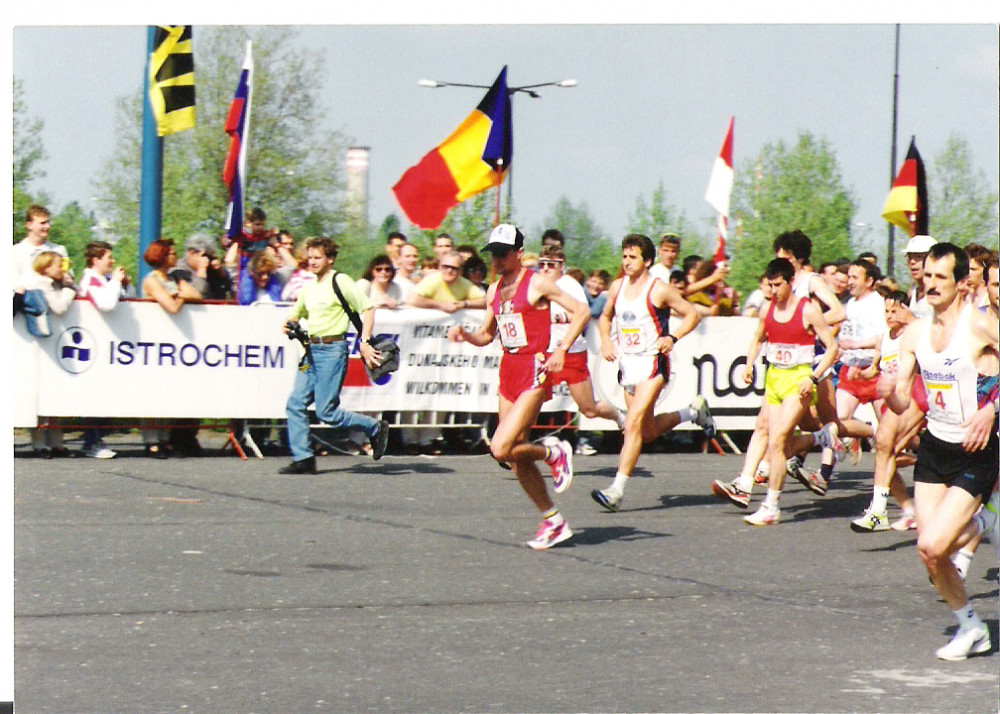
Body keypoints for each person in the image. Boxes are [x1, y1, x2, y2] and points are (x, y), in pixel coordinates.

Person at [881, 242, 998, 661]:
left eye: (939, 277)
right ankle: (971, 627)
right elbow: (901, 400)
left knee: (933, 544)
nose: (929, 284)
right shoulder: (913, 332)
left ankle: (988, 516)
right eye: (925, 276)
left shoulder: (981, 325)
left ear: (962, 281)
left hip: (976, 451)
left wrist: (992, 409)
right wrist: (886, 391)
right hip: (935, 448)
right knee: (931, 553)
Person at [447, 224, 586, 550]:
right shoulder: (494, 290)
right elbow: (486, 335)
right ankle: (553, 520)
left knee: (499, 446)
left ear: (519, 253)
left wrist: (561, 349)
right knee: (513, 456)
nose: (496, 259)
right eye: (492, 253)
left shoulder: (536, 282)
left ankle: (554, 452)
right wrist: (465, 335)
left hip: (535, 368)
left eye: (503, 253)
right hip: (508, 369)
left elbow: (580, 311)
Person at [590, 234, 716, 513]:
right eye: (624, 257)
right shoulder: (616, 287)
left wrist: (673, 337)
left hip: (652, 364)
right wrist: (607, 340)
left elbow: (692, 314)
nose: (627, 262)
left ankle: (616, 490)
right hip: (628, 366)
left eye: (633, 257)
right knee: (646, 432)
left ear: (647, 260)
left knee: (632, 425)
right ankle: (693, 413)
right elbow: (605, 317)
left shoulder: (659, 289)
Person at [722, 258, 842, 525]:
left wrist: (812, 377)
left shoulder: (808, 309)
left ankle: (771, 506)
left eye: (778, 285)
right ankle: (822, 437)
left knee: (776, 442)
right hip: (774, 378)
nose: (773, 291)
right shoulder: (767, 308)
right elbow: (757, 338)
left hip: (798, 380)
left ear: (790, 283)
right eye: (770, 285)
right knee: (779, 442)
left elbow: (831, 348)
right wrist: (749, 363)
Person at [280, 237, 390, 474]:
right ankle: (304, 458)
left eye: (317, 257)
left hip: (331, 350)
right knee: (295, 403)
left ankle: (373, 427)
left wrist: (364, 341)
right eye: (309, 257)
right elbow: (294, 315)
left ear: (329, 259)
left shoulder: (339, 280)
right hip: (310, 351)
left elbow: (367, 308)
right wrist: (290, 325)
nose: (312, 262)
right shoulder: (308, 287)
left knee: (326, 411)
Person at [536, 246, 626, 455]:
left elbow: (583, 314)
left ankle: (620, 417)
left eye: (551, 265)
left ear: (562, 266)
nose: (546, 269)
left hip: (571, 352)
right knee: (528, 401)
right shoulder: (536, 283)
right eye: (542, 264)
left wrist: (559, 318)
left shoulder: (569, 285)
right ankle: (514, 446)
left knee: (588, 409)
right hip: (544, 352)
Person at [849, 289, 923, 532]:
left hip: (914, 396)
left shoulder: (913, 332)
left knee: (886, 448)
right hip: (889, 400)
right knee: (884, 449)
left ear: (905, 309)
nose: (890, 316)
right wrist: (862, 373)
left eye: (894, 310)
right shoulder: (884, 338)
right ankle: (898, 510)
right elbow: (876, 368)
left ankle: (882, 510)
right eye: (886, 311)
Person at [141, 239, 202, 458]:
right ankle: (151, 439)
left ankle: (165, 437)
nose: (176, 257)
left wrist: (180, 294)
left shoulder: (175, 278)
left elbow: (196, 294)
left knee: (168, 389)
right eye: (172, 253)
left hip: (173, 342)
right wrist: (179, 296)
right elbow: (171, 306)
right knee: (152, 390)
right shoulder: (151, 280)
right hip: (154, 339)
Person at [77, 241, 129, 459]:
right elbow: (106, 304)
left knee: (101, 394)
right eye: (108, 257)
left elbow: (120, 298)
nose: (112, 260)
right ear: (96, 260)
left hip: (104, 345)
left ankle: (95, 440)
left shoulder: (102, 280)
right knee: (92, 395)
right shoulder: (90, 280)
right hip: (92, 345)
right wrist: (116, 283)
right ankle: (91, 442)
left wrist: (120, 284)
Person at [24, 251, 79, 457]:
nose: (62, 269)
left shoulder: (53, 284)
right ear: (46, 267)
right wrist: (68, 288)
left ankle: (57, 442)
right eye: (58, 265)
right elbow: (59, 306)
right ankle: (39, 444)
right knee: (40, 398)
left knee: (54, 395)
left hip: (55, 345)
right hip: (41, 347)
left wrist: (67, 284)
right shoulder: (40, 285)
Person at [13, 205, 69, 299]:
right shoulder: (15, 252)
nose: (47, 226)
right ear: (29, 225)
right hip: (26, 306)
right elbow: (13, 282)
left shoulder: (59, 250)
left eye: (48, 222)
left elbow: (67, 279)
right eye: (42, 223)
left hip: (55, 306)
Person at [408, 251, 486, 312]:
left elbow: (485, 301)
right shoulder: (432, 280)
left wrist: (463, 304)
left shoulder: (464, 283)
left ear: (461, 271)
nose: (449, 270)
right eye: (446, 267)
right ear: (439, 267)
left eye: (454, 268)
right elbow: (412, 300)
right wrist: (440, 305)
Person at [902, 234, 937, 319]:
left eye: (918, 257)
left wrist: (911, 320)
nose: (913, 262)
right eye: (910, 257)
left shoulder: (939, 292)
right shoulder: (912, 293)